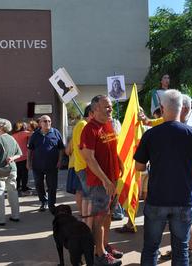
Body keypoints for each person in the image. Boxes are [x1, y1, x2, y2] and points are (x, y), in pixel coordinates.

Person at [135, 90, 192, 266]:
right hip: (183, 200)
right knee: (181, 250)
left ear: (162, 108)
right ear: (182, 108)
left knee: (150, 248)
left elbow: (139, 167)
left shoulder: (150, 135)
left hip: (157, 200)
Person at [80, 95, 124, 266]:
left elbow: (113, 149)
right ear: (95, 109)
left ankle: (105, 246)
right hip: (100, 183)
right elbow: (89, 159)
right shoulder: (89, 129)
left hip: (113, 179)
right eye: (106, 107)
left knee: (108, 215)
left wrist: (120, 165)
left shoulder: (108, 125)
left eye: (110, 106)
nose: (110, 109)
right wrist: (106, 180)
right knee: (99, 217)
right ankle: (99, 254)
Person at [27, 115, 64, 213]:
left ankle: (52, 204)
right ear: (40, 123)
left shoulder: (56, 133)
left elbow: (61, 148)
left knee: (52, 185)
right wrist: (28, 162)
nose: (47, 123)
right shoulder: (35, 134)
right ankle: (44, 201)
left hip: (52, 165)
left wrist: (60, 161)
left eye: (49, 121)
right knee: (38, 184)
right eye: (45, 121)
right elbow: (30, 150)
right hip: (37, 165)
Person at [0, 118, 22, 226]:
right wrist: (12, 158)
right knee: (13, 191)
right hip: (12, 168)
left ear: (1, 128)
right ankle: (15, 215)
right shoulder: (12, 138)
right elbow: (19, 153)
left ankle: (1, 219)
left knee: (0, 192)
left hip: (1, 170)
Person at [72, 105, 92, 228]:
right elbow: (83, 147)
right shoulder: (83, 125)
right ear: (91, 113)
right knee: (88, 196)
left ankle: (86, 221)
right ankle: (87, 223)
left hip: (83, 165)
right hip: (85, 166)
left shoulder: (82, 124)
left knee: (86, 195)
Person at [12, 121, 32, 193]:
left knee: (18, 174)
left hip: (16, 157)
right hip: (24, 157)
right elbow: (33, 134)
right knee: (24, 173)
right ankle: (24, 187)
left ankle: (17, 187)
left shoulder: (13, 135)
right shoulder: (23, 133)